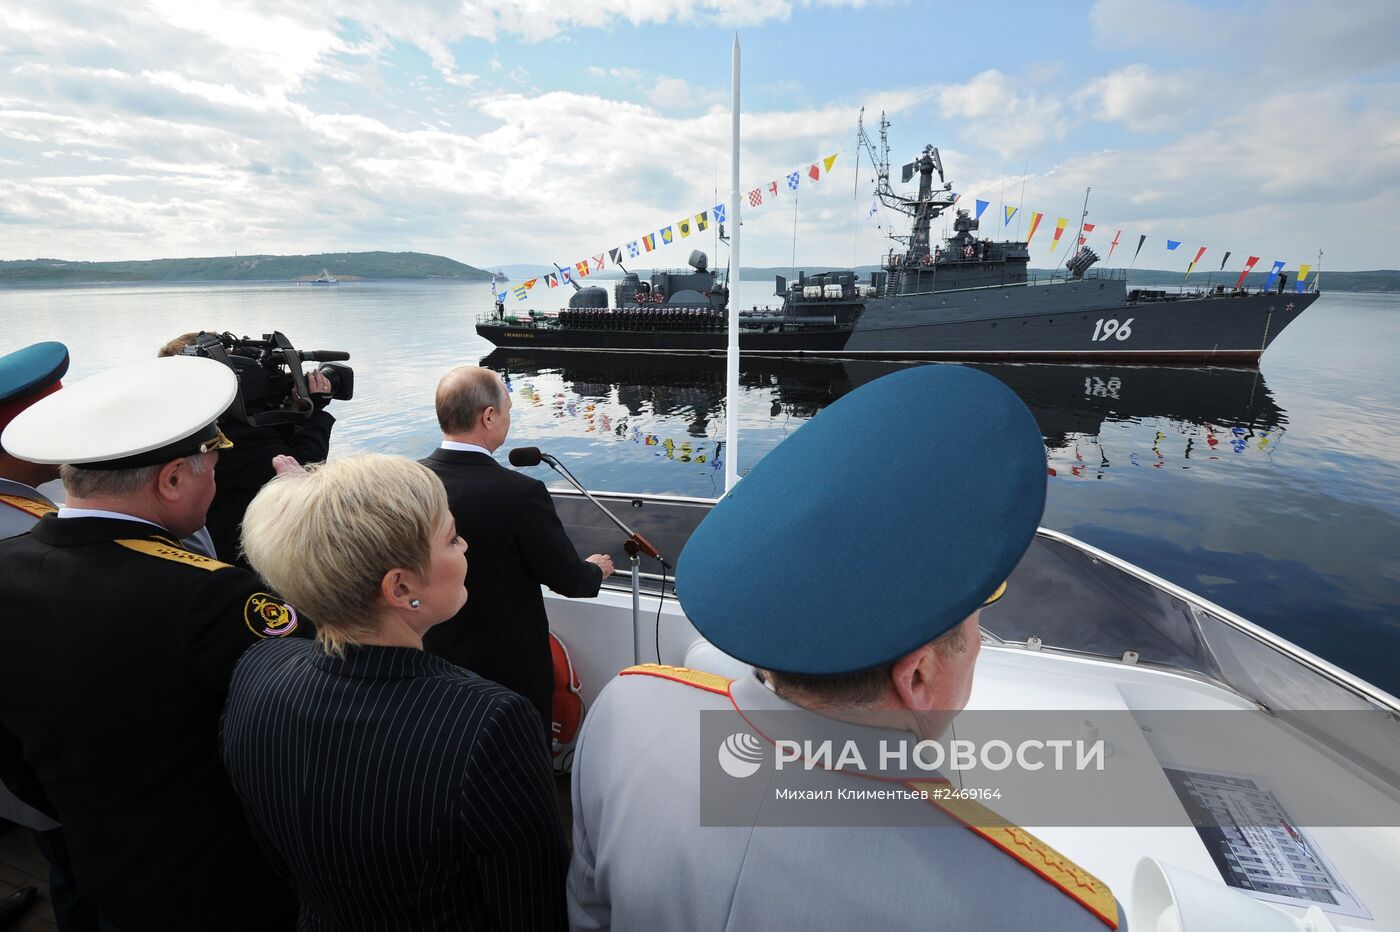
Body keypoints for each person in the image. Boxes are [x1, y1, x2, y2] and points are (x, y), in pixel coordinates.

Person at [567, 365, 1121, 930]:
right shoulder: (1052, 912)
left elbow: (589, 915)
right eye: (974, 625)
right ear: (919, 677)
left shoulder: (623, 710)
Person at [0, 355, 308, 931]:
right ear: (171, 479)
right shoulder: (209, 596)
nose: (215, 481)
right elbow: (311, 711)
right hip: (224, 881)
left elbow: (13, 756)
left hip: (103, 865)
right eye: (210, 468)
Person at [222, 453, 568, 931]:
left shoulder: (258, 668)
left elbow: (276, 854)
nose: (464, 546)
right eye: (451, 538)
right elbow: (531, 906)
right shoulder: (489, 720)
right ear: (401, 587)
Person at [421, 366, 613, 735]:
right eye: (507, 410)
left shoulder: (409, 483)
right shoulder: (520, 494)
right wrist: (595, 570)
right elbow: (569, 580)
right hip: (508, 671)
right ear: (488, 416)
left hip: (434, 659)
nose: (509, 418)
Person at [158, 331, 337, 565]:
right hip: (244, 554)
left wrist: (292, 409)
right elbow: (302, 470)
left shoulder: (184, 423)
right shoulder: (228, 433)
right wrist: (316, 412)